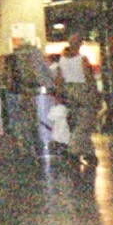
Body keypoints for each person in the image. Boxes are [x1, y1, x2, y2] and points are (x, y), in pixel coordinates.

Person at [53, 33, 99, 168]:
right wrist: (94, 93)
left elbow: (59, 79)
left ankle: (89, 152)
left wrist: (58, 95)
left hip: (68, 93)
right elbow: (89, 78)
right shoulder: (82, 59)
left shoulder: (61, 60)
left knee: (76, 123)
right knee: (84, 123)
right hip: (82, 92)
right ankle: (73, 151)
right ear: (79, 44)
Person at [43, 91, 71, 158]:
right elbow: (50, 116)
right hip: (57, 135)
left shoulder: (62, 108)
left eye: (55, 99)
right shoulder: (55, 108)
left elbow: (51, 117)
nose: (53, 101)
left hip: (62, 136)